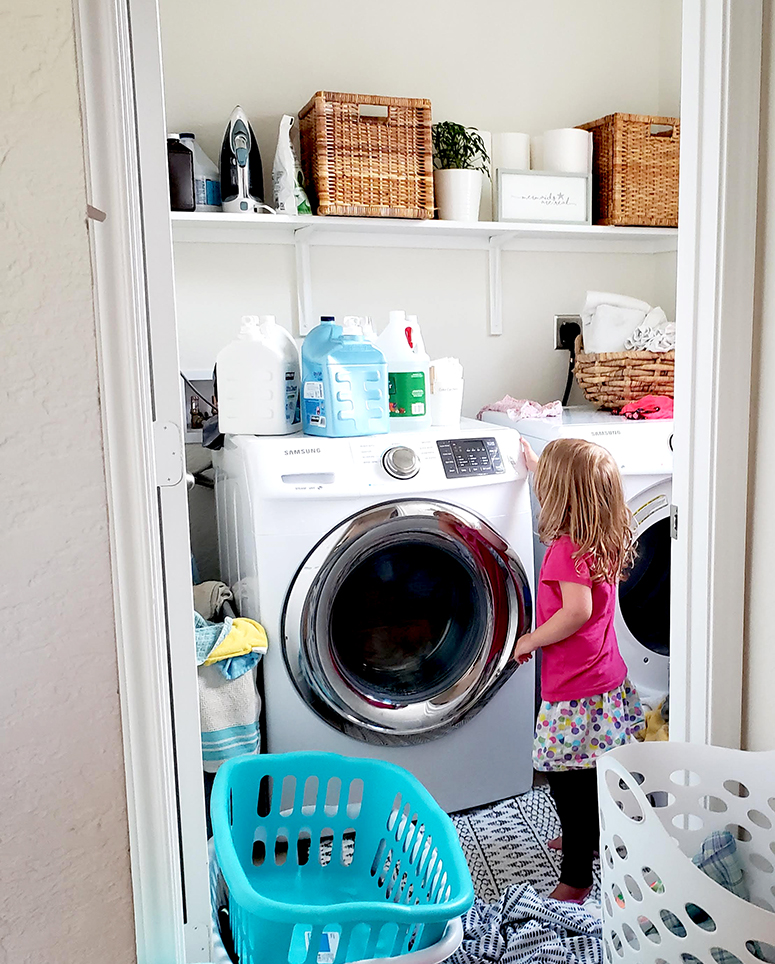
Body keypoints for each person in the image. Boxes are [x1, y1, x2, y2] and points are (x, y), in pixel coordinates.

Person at [515, 436, 645, 903]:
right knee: (588, 772)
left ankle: (576, 877)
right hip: (605, 681)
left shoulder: (566, 549)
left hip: (574, 691)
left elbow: (576, 612)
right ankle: (586, 840)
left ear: (561, 497)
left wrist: (529, 639)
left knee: (566, 780)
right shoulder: (601, 536)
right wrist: (533, 464)